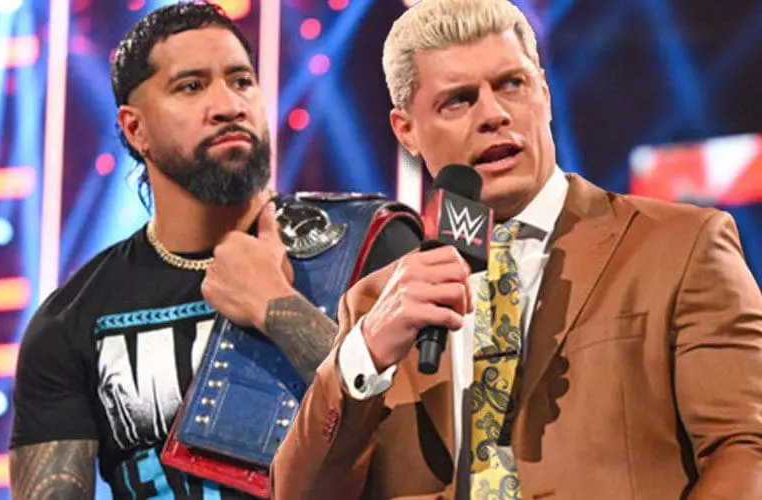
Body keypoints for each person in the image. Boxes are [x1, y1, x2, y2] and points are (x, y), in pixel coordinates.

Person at [269, 0, 762, 498]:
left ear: (544, 93)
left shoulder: (680, 245)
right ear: (407, 131)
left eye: (511, 84)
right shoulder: (375, 303)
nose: (494, 114)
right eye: (458, 100)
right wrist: (366, 353)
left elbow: (745, 449)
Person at [8, 3, 419, 499]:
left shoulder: (371, 244)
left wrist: (277, 309)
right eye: (191, 86)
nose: (228, 105)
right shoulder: (73, 319)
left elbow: (423, 446)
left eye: (241, 81)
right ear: (135, 128)